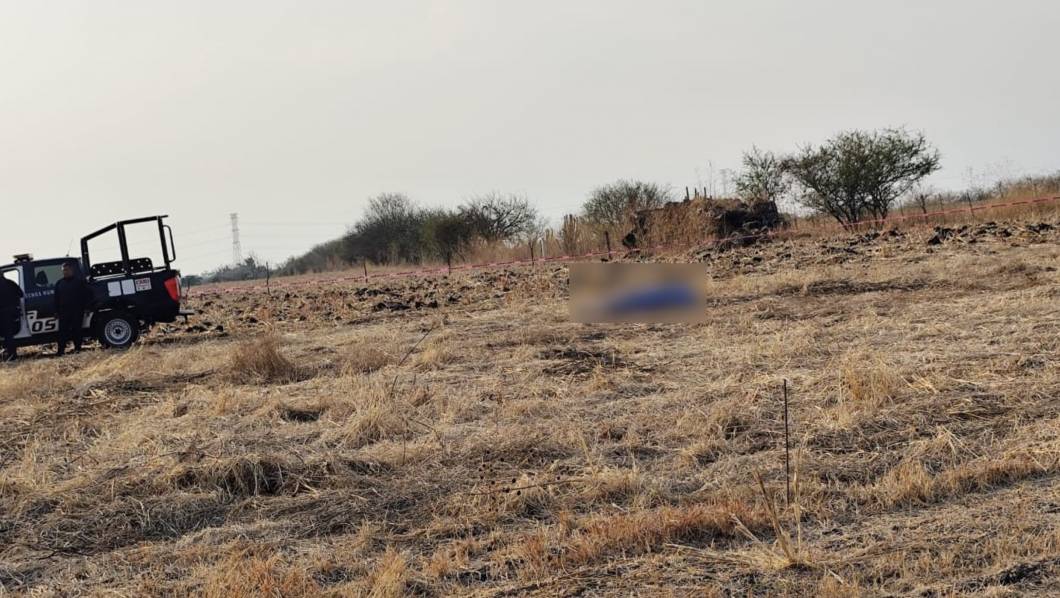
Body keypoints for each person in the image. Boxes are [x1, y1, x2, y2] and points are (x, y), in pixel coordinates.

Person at [53, 261, 92, 356]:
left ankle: (77, 349)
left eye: (67, 270)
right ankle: (61, 351)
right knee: (62, 332)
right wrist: (56, 311)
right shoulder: (59, 283)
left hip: (77, 311)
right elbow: (56, 299)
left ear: (71, 270)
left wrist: (87, 307)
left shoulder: (79, 282)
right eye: (63, 270)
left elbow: (86, 296)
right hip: (63, 312)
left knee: (77, 331)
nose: (65, 272)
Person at [0, 274, 23, 361]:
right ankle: (12, 355)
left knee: (7, 335)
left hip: (2, 313)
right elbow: (21, 294)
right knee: (9, 335)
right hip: (11, 312)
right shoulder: (11, 283)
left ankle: (10, 356)